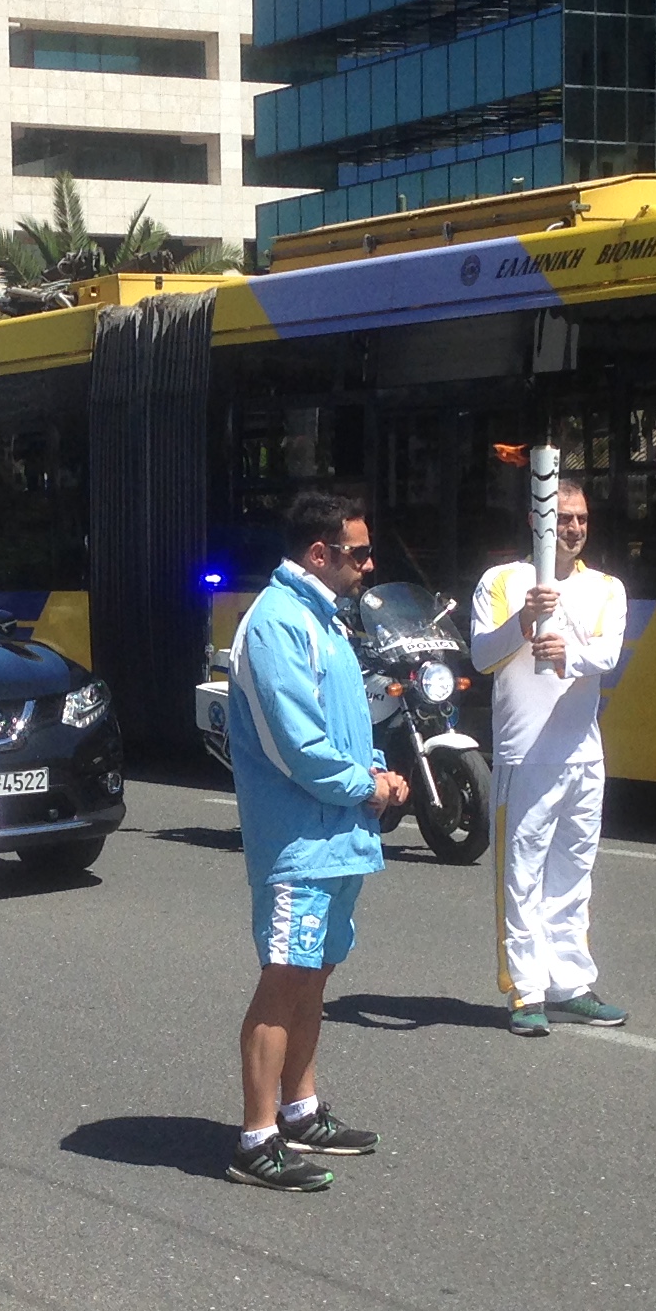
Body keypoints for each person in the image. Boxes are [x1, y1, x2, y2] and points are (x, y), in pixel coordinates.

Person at [223, 490, 405, 1193]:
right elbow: (295, 745)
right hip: (299, 839)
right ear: (319, 553)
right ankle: (256, 1137)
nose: (368, 564)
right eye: (358, 552)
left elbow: (336, 728)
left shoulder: (324, 620)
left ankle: (299, 1110)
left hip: (336, 835)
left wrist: (376, 776)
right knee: (285, 974)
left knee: (314, 973)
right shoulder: (275, 624)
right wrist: (369, 787)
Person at [468, 474, 631, 1037]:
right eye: (563, 518)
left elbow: (608, 654)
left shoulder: (607, 588)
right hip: (524, 753)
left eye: (582, 518)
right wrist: (522, 623)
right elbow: (482, 655)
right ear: (539, 522)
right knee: (521, 876)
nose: (575, 528)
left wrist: (571, 653)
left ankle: (570, 984)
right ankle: (525, 990)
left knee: (573, 874)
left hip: (583, 755)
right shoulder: (502, 581)